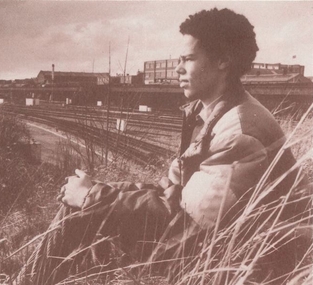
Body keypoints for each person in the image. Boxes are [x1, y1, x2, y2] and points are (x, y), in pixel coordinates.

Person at [15, 8, 308, 285]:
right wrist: (96, 190)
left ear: (223, 61)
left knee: (80, 217)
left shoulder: (239, 133)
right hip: (211, 242)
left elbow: (187, 224)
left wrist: (93, 197)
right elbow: (169, 189)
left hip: (230, 261)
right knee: (81, 205)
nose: (177, 69)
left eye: (188, 59)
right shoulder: (209, 114)